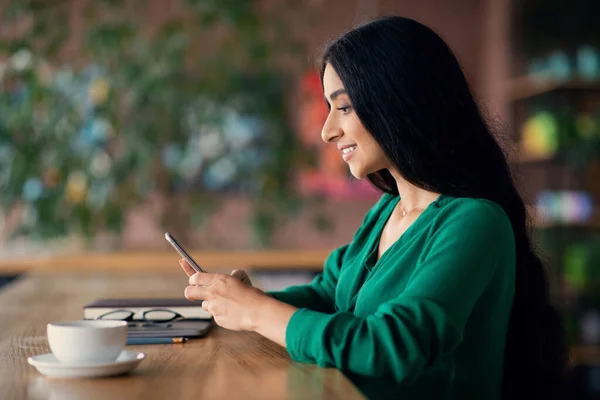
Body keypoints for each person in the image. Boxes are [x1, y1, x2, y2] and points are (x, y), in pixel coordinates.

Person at [180, 16, 569, 400]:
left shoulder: (474, 223)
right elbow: (330, 295)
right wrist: (242, 299)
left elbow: (392, 347)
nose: (327, 130)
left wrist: (258, 313)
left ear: (399, 102)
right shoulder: (387, 212)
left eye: (344, 107)